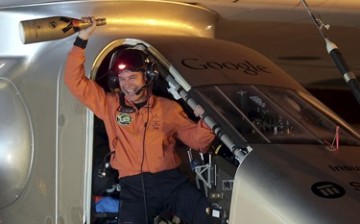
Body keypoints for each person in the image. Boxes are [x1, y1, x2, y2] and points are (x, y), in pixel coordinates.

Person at [64, 17, 215, 224]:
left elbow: (198, 141)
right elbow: (75, 82)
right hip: (134, 190)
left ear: (147, 77)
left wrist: (207, 119)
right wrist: (82, 39)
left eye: (132, 77)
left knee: (210, 217)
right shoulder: (110, 105)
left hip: (171, 183)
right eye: (122, 78)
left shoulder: (168, 108)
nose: (126, 84)